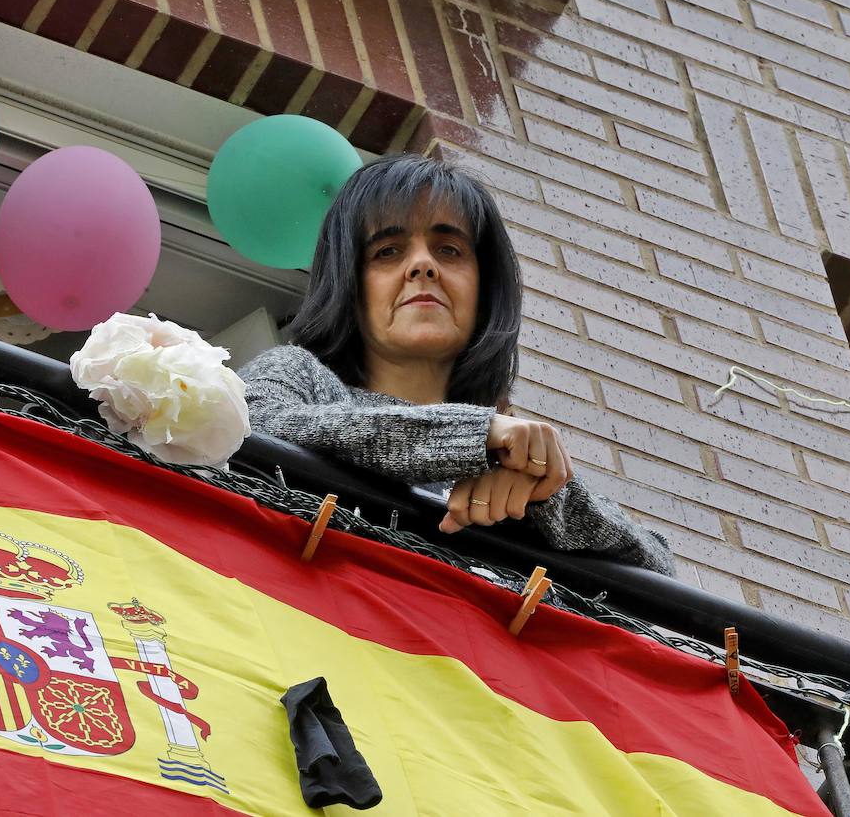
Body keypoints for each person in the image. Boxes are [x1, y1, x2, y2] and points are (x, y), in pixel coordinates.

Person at [239, 154, 675, 575]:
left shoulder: (508, 464)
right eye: (388, 251)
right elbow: (245, 421)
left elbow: (658, 568)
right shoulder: (300, 376)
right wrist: (475, 437)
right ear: (349, 287)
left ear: (484, 293)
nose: (422, 265)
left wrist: (542, 495)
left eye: (449, 250)